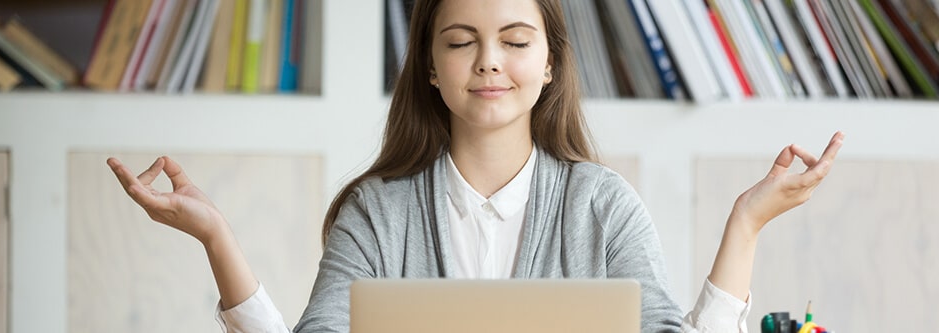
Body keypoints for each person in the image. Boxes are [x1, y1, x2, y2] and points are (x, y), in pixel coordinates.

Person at [107, 0, 844, 332]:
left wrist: (746, 223)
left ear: (550, 60)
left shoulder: (602, 205)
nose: (489, 59)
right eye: (460, 40)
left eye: (515, 39)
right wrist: (219, 241)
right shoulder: (377, 210)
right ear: (429, 64)